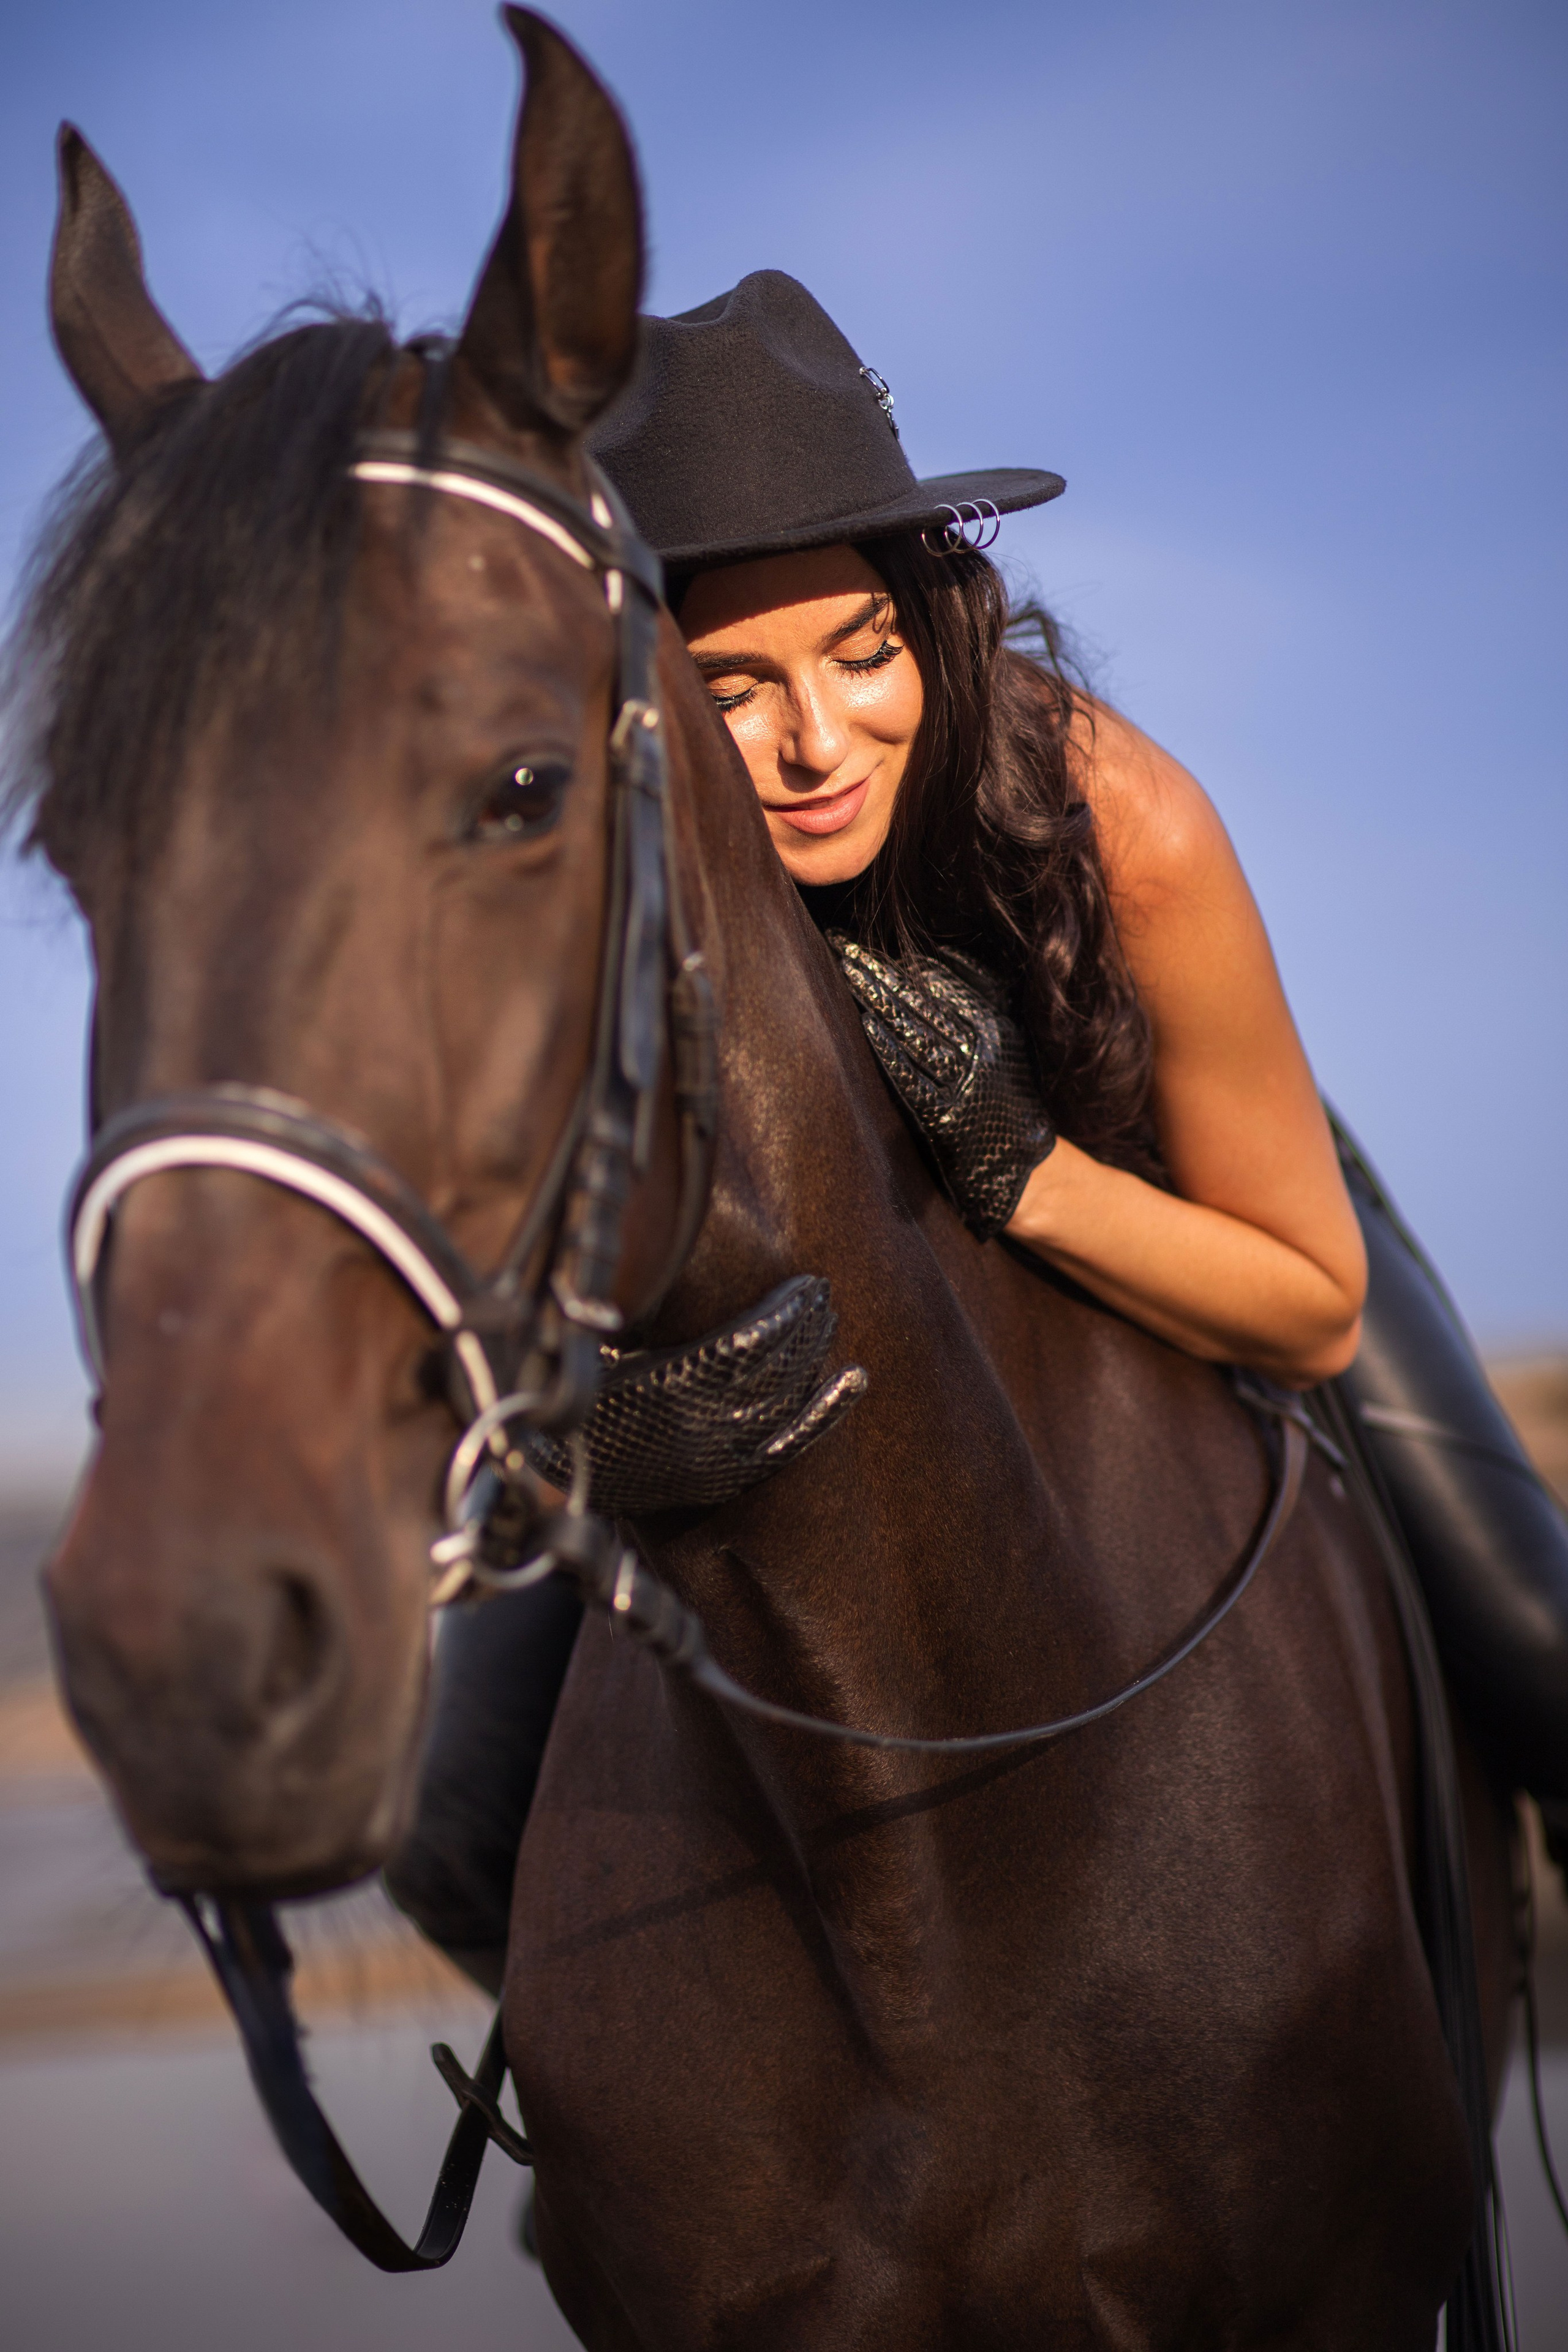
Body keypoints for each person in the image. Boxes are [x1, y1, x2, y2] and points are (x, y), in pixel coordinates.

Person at [387, 272, 1568, 1983]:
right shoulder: (595, 877)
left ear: (931, 619)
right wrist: (573, 1434)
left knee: (1542, 1654)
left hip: (1184, 1182)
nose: (818, 744)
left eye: (863, 654)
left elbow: (1312, 1307)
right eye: (732, 687)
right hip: (816, 1357)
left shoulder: (1119, 813)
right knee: (448, 1838)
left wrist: (1023, 1172)